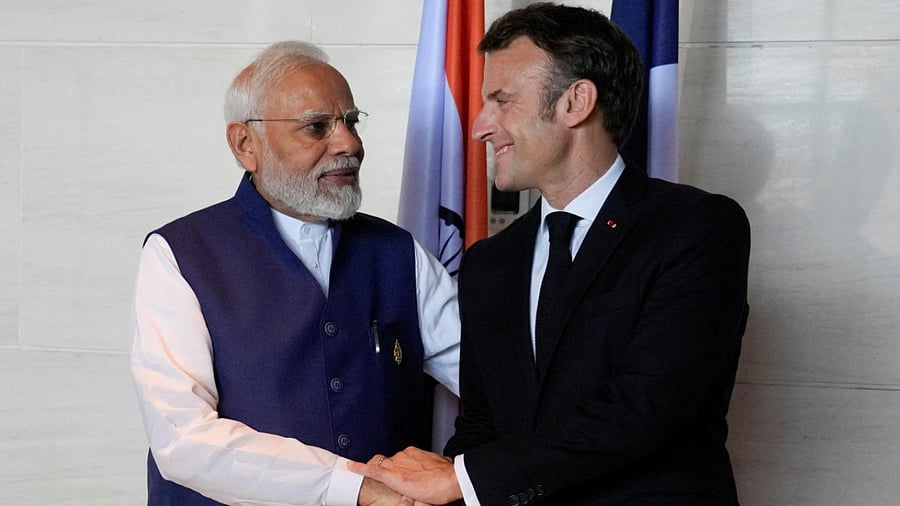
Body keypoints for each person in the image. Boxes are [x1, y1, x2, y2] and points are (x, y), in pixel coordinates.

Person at [349, 3, 751, 505]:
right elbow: (483, 424)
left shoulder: (695, 228)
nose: (479, 126)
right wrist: (431, 490)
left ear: (576, 102)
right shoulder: (490, 263)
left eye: (502, 100)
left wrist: (460, 480)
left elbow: (644, 406)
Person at [130, 40, 460, 506]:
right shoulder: (179, 254)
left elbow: (490, 377)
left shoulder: (398, 252)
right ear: (246, 145)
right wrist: (353, 486)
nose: (349, 144)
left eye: (351, 122)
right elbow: (182, 440)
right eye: (317, 127)